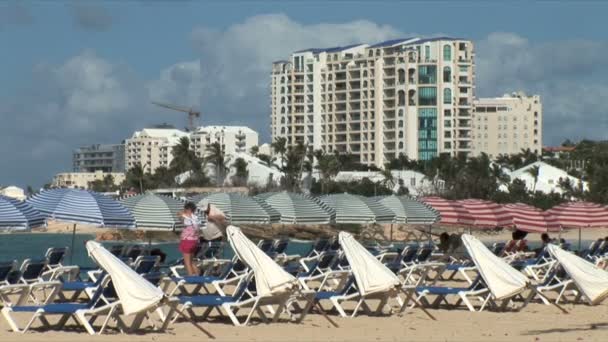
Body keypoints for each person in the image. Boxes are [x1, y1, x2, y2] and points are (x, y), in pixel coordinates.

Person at [178, 202, 201, 276]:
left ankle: (191, 278)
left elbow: (179, 215)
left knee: (187, 262)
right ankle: (198, 275)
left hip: (187, 241)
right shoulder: (196, 218)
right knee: (191, 261)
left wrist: (182, 213)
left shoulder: (186, 218)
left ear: (188, 209)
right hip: (194, 241)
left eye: (185, 209)